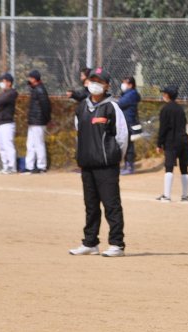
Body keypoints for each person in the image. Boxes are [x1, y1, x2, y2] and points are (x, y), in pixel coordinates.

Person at [67, 68, 129, 258]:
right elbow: (79, 133)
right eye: (92, 80)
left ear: (107, 86)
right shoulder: (82, 107)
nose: (94, 84)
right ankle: (90, 243)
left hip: (106, 165)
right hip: (87, 164)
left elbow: (122, 136)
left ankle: (117, 244)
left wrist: (115, 157)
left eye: (99, 81)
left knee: (111, 205)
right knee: (91, 206)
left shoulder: (112, 107)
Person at [155, 85, 188, 203]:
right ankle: (185, 196)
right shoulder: (180, 109)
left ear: (167, 95)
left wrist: (159, 144)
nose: (163, 95)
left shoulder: (165, 109)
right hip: (183, 140)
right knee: (184, 168)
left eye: (164, 93)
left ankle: (167, 196)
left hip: (171, 141)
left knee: (169, 167)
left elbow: (163, 128)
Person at [24, 69, 51, 174]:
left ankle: (41, 166)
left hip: (38, 121)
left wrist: (46, 119)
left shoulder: (40, 90)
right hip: (33, 121)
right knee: (30, 144)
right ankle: (29, 166)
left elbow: (46, 106)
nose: (29, 79)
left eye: (30, 78)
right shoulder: (35, 89)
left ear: (34, 79)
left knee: (38, 143)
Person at [0, 73, 18, 174]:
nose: (1, 83)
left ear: (9, 83)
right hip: (1, 122)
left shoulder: (12, 93)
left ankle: (12, 167)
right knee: (1, 146)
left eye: (3, 81)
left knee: (8, 145)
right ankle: (5, 166)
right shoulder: (3, 93)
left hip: (7, 123)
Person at [117, 76, 142, 175]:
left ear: (130, 85)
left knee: (129, 145)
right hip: (125, 121)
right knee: (126, 144)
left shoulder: (131, 94)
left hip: (129, 122)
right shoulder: (127, 93)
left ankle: (129, 166)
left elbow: (120, 104)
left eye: (125, 83)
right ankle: (127, 165)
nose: (123, 85)